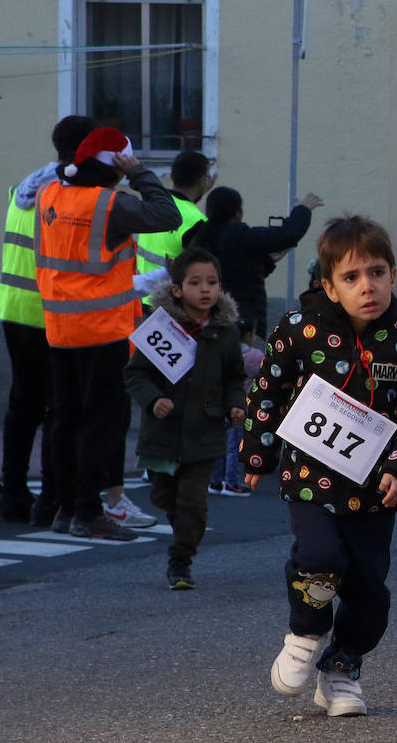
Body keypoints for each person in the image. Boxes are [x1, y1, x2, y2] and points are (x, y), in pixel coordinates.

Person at [239, 215, 397, 718]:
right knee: (321, 558)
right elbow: (268, 392)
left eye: (376, 273)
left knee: (370, 592)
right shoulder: (299, 330)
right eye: (351, 278)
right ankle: (306, 631)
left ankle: (342, 667)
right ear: (328, 286)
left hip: (375, 491)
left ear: (393, 275)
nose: (366, 287)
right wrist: (258, 453)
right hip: (312, 478)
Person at [35, 126, 180, 540]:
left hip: (59, 327)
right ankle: (87, 509)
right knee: (104, 422)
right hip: (102, 329)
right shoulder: (110, 203)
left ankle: (63, 507)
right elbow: (166, 214)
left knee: (66, 420)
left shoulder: (50, 195)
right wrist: (140, 172)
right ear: (117, 166)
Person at [0, 114, 96, 524]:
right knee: (59, 408)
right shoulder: (66, 195)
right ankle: (50, 499)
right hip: (51, 312)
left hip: (12, 309)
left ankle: (12, 495)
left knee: (22, 405)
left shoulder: (27, 186)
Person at [124, 248, 246, 589]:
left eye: (212, 283)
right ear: (177, 289)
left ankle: (180, 562)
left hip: (205, 433)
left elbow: (235, 378)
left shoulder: (225, 333)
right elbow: (135, 375)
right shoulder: (160, 326)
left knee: (192, 501)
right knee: (164, 497)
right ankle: (182, 523)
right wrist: (154, 400)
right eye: (196, 283)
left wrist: (236, 405)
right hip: (162, 432)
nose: (205, 290)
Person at [193, 186, 323, 339]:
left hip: (209, 321)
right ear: (238, 213)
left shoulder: (201, 238)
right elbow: (287, 235)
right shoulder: (240, 235)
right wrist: (303, 208)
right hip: (243, 322)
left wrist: (267, 262)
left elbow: (235, 271)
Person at [134, 150, 213, 293]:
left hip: (140, 295)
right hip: (168, 304)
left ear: (171, 175)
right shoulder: (198, 221)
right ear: (202, 181)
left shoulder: (155, 203)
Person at [209, 318, 263, 496]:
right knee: (235, 445)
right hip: (241, 405)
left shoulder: (223, 352)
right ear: (249, 335)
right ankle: (231, 482)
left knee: (219, 443)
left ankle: (216, 481)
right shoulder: (255, 356)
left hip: (220, 403)